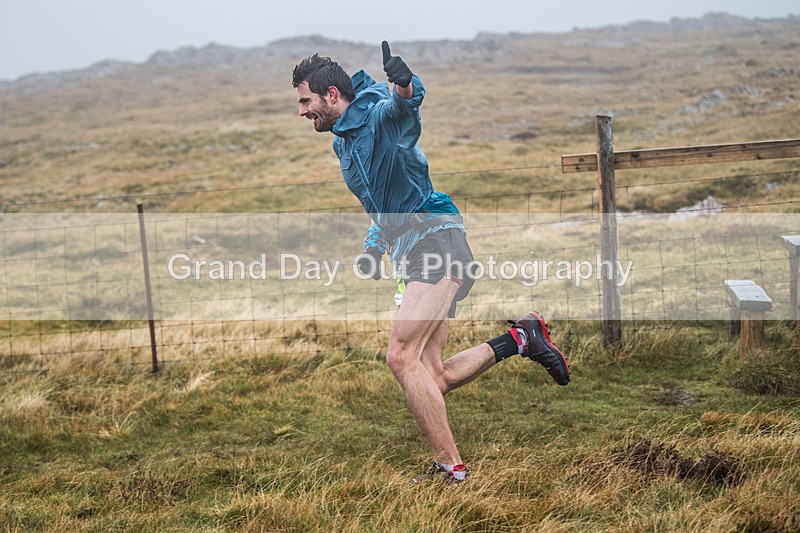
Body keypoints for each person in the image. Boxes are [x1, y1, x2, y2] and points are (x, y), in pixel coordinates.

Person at [292, 42, 569, 483]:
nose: (302, 112)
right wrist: (373, 246)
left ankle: (451, 469)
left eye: (305, 101)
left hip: (436, 240)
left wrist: (403, 83)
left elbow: (406, 110)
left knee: (400, 357)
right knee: (431, 375)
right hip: (411, 251)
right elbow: (381, 203)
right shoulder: (343, 145)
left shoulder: (378, 115)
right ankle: (520, 338)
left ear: (330, 95)